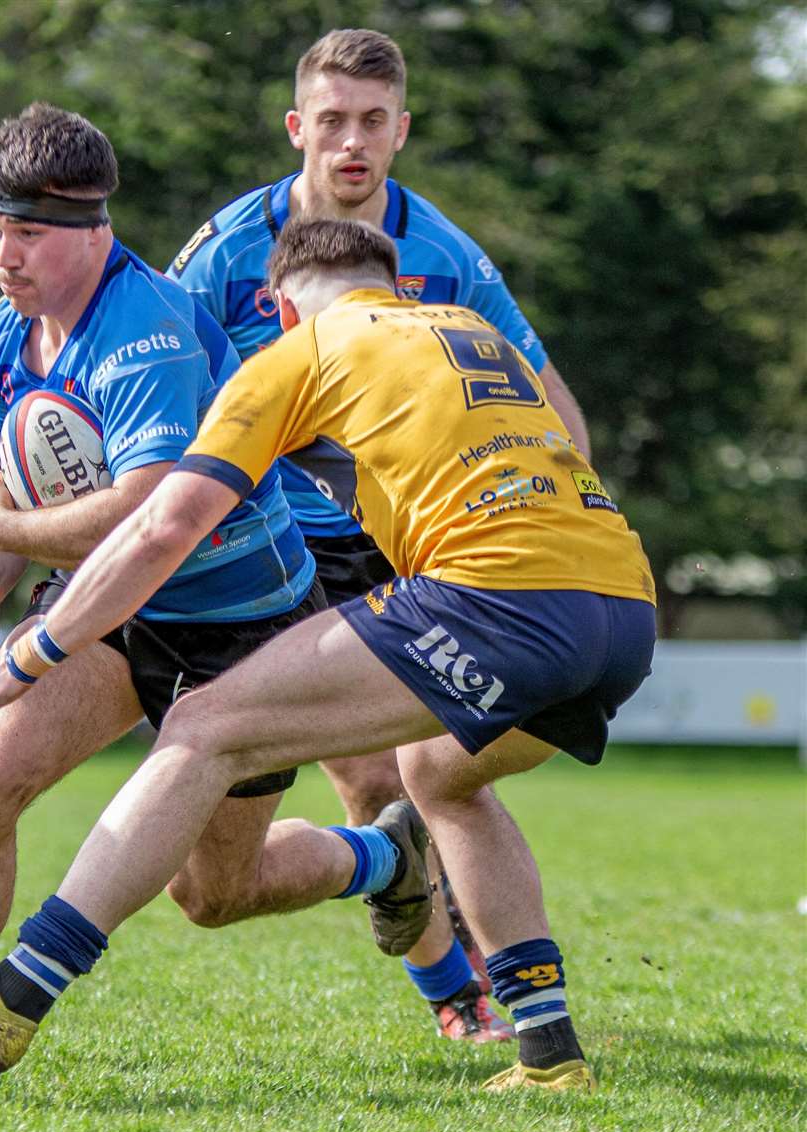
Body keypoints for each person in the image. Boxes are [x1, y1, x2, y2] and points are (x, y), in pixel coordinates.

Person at [0, 219, 657, 1094]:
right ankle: (550, 1053)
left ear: (278, 306)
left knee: (207, 724)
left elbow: (164, 520)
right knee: (442, 775)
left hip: (497, 596)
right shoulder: (469, 331)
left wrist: (26, 655)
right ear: (396, 288)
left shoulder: (298, 351)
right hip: (623, 605)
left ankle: (12, 997)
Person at [0, 106, 432, 1064]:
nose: (4, 256)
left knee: (213, 895)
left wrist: (3, 536)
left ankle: (384, 855)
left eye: (28, 233)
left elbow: (138, 510)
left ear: (95, 227)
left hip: (242, 623)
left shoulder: (145, 332)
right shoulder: (4, 335)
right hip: (113, 608)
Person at [165, 27, 588, 1041]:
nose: (350, 142)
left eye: (372, 123)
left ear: (401, 129)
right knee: (271, 842)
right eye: (331, 121)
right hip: (260, 543)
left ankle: (466, 994)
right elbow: (164, 393)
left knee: (396, 772)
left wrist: (556, 501)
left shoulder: (444, 254)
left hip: (398, 538)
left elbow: (545, 397)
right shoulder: (224, 251)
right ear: (296, 125)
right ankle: (455, 964)